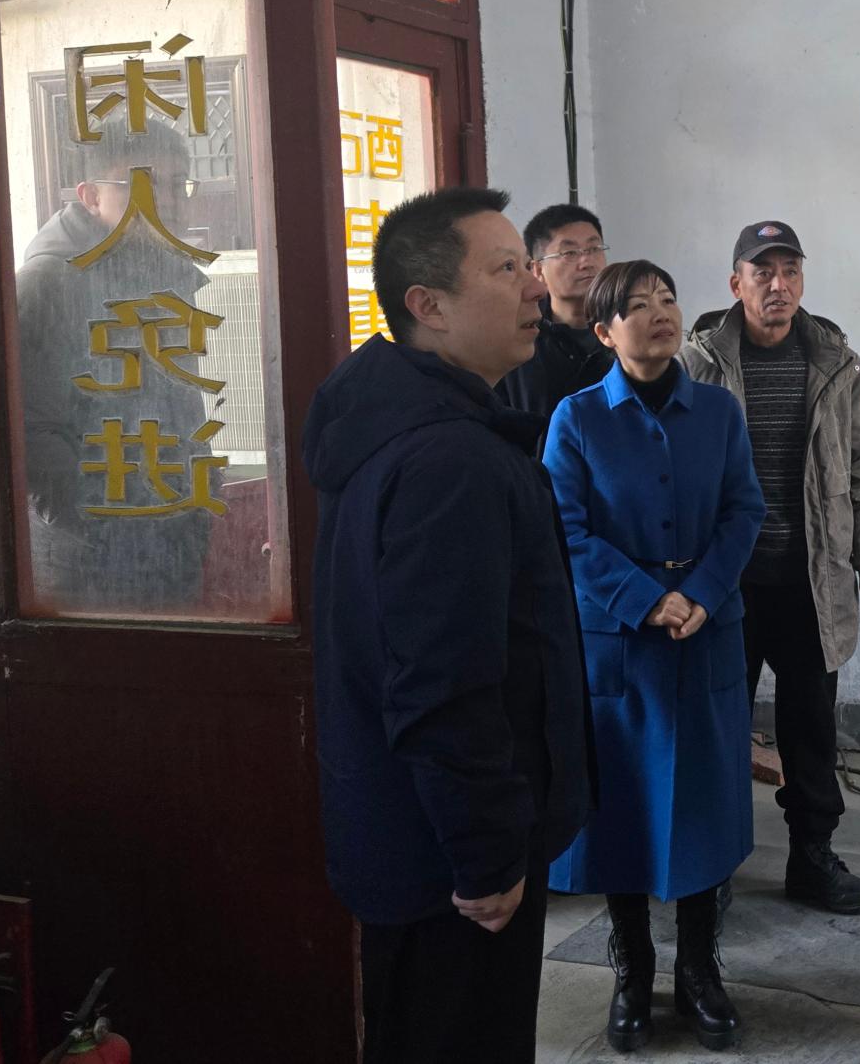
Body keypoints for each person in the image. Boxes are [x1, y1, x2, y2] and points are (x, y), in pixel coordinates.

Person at [303, 187, 592, 1064]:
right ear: (428, 306)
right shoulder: (448, 459)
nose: (537, 287)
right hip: (451, 871)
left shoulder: (402, 420)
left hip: (412, 839)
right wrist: (487, 855)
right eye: (506, 270)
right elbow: (442, 679)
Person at [543, 260, 765, 1053]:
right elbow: (564, 528)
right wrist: (642, 598)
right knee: (624, 809)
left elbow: (744, 509)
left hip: (705, 632)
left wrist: (700, 592)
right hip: (620, 644)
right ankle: (632, 971)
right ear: (605, 332)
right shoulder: (576, 419)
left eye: (666, 299)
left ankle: (701, 971)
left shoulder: (719, 411)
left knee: (703, 805)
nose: (660, 313)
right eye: (637, 306)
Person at [681, 221, 860, 915]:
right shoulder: (697, 360)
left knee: (811, 729)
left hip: (811, 576)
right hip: (724, 581)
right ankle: (711, 864)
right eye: (763, 272)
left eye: (790, 271)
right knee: (718, 725)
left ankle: (812, 857)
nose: (779, 285)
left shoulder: (836, 359)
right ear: (735, 282)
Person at [16, 121, 214, 614]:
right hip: (90, 557)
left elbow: (179, 403)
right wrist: (108, 526)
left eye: (177, 184)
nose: (166, 201)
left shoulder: (158, 267)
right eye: (142, 185)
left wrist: (194, 508)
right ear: (90, 196)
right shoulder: (49, 282)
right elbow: (32, 433)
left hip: (168, 531)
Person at [498, 202, 614, 433]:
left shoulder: (627, 327)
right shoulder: (515, 340)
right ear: (537, 270)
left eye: (594, 249)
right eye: (569, 253)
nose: (587, 262)